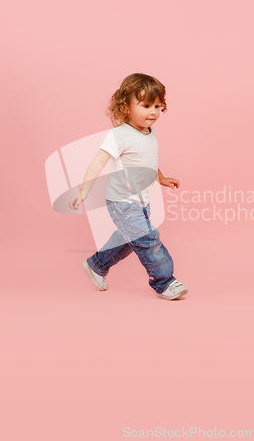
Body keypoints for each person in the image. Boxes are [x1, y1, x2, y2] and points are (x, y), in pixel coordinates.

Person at [68, 73, 188, 301]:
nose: (153, 112)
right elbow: (97, 162)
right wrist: (84, 190)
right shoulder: (119, 135)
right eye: (145, 105)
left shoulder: (150, 133)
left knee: (129, 241)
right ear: (125, 106)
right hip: (123, 201)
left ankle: (96, 265)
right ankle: (165, 282)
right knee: (147, 239)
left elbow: (149, 161)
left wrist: (160, 178)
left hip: (142, 200)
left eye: (157, 106)